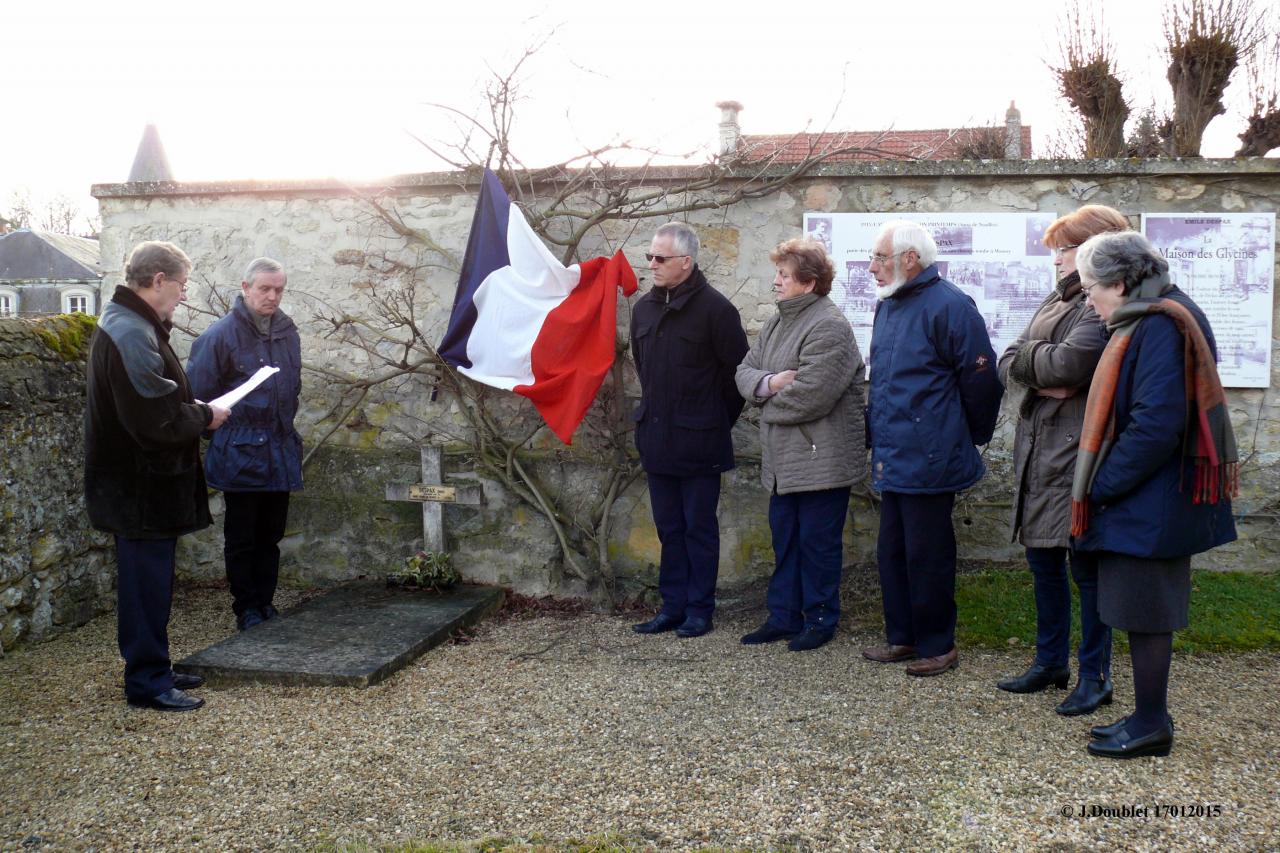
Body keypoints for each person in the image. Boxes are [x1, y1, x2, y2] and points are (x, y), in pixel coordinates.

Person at [1070, 231, 1237, 759]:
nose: (1089, 301)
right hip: (1151, 497)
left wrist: (1099, 487)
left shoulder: (1160, 324)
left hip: (1153, 498)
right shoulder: (1152, 316)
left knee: (1148, 611)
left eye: (1091, 289)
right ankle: (1148, 714)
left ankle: (1150, 724)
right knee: (1141, 608)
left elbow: (1155, 427)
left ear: (1121, 283)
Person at [995, 205, 1130, 716]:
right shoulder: (1061, 298)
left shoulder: (1098, 304)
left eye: (1065, 248)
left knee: (1086, 568)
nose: (1056, 259)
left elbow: (1071, 364)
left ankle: (1095, 675)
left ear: (1096, 248)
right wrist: (1037, 364)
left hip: (1078, 453)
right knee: (1043, 561)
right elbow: (1012, 358)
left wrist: (1036, 361)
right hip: (1040, 447)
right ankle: (1050, 662)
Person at [84, 241, 230, 712]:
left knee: (152, 582)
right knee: (143, 587)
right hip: (138, 488)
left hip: (143, 486)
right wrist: (206, 415)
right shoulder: (129, 331)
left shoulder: (134, 324)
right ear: (159, 280)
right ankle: (146, 682)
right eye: (182, 285)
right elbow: (156, 421)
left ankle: (157, 668)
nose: (184, 296)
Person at [860, 221, 1002, 676]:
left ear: (909, 259)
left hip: (930, 455)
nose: (872, 267)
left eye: (880, 258)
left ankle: (938, 644)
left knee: (929, 555)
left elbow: (981, 380)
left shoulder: (950, 306)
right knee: (893, 552)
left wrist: (968, 436)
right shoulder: (889, 306)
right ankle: (903, 637)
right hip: (895, 451)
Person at [735, 238, 866, 651]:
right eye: (777, 273)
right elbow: (743, 371)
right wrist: (769, 383)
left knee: (817, 545)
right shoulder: (777, 321)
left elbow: (813, 395)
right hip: (784, 461)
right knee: (785, 540)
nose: (775, 282)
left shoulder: (829, 325)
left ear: (808, 283)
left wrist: (760, 403)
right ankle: (783, 616)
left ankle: (821, 618)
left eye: (783, 275)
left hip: (821, 460)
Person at [630, 222, 749, 639]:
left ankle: (700, 609)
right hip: (658, 440)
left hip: (700, 442)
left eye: (660, 258)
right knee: (669, 528)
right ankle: (672, 606)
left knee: (699, 528)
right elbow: (644, 370)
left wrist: (710, 422)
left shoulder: (717, 310)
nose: (652, 265)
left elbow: (738, 379)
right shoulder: (643, 308)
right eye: (650, 257)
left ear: (686, 261)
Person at [188, 258, 303, 631]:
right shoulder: (218, 337)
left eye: (279, 289)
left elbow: (292, 390)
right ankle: (247, 608)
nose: (272, 296)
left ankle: (266, 602)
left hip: (280, 447)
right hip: (240, 450)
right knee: (242, 537)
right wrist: (220, 436)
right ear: (245, 287)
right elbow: (198, 399)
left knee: (270, 535)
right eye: (265, 289)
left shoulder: (287, 333)